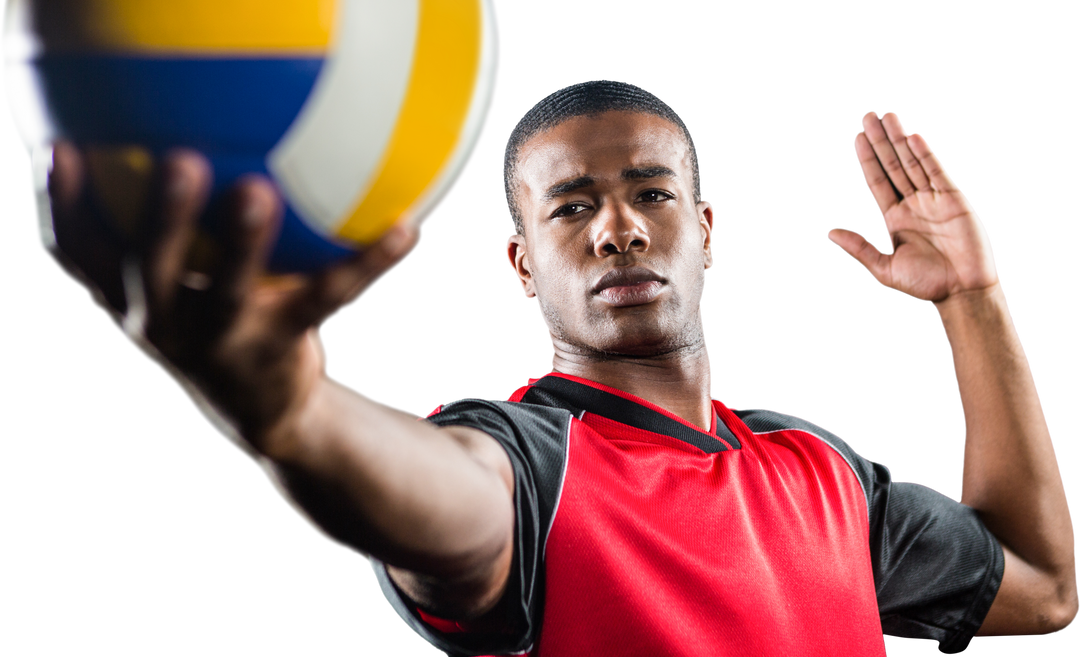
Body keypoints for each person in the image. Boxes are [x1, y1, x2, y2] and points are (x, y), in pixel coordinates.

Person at [35, 77, 1076, 654]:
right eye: (571, 206)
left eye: (652, 192)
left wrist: (974, 300)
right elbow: (441, 496)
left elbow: (1045, 588)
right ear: (524, 264)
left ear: (705, 230)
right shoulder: (527, 459)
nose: (618, 229)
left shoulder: (822, 473)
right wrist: (287, 408)